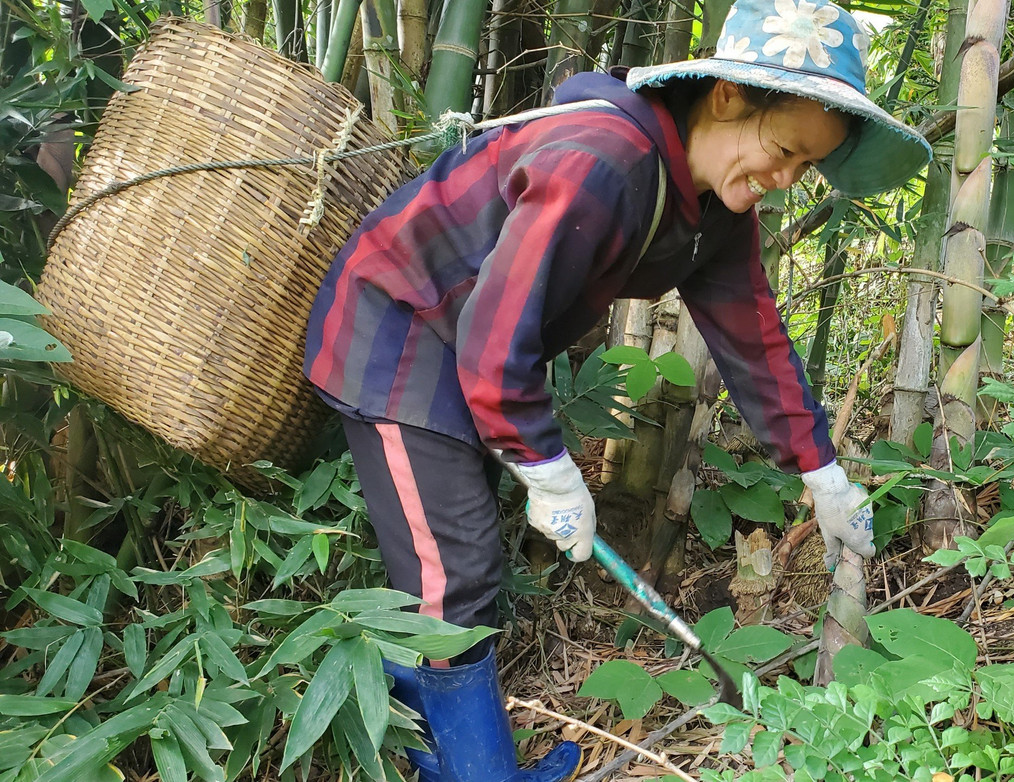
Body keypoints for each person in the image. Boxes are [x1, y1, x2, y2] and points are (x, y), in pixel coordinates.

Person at [302, 0, 932, 779]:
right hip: (397, 330)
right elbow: (498, 331)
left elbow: (753, 336)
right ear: (728, 96)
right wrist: (546, 466)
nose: (784, 178)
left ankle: (440, 745)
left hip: (468, 347)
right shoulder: (604, 160)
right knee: (452, 574)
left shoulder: (716, 213)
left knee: (458, 567)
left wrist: (819, 468)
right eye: (784, 150)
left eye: (806, 168)